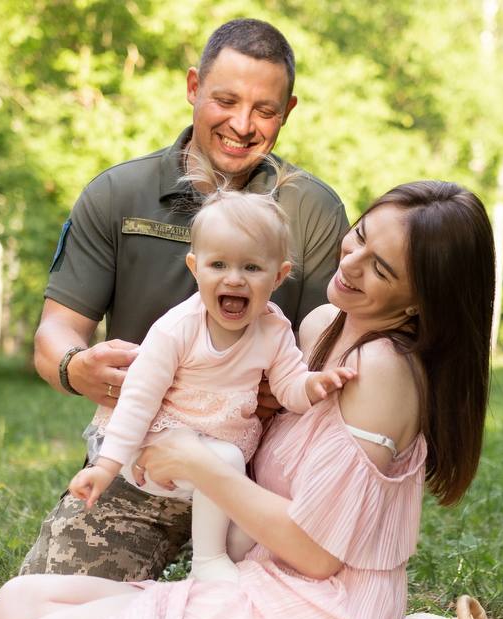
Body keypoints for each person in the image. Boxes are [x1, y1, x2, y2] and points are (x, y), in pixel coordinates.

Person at [0, 180, 495, 619]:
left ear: (419, 300)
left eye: (379, 268)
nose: (351, 263)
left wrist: (201, 465)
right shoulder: (320, 326)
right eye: (356, 237)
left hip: (326, 614)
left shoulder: (383, 370)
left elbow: (318, 554)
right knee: (19, 605)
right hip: (257, 578)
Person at [23, 18, 350, 581]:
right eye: (225, 100)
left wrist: (293, 387)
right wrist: (78, 367)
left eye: (265, 111)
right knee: (44, 606)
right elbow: (55, 333)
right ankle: (168, 613)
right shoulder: (117, 193)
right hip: (142, 465)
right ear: (194, 87)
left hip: (258, 474)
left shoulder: (313, 211)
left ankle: (207, 597)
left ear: (288, 111)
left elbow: (330, 345)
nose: (243, 125)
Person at [69, 169, 356, 583]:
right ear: (196, 267)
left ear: (278, 276)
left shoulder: (273, 329)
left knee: (244, 529)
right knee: (223, 460)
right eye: (218, 264)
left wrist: (313, 385)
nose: (234, 278)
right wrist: (107, 466)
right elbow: (138, 399)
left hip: (217, 456)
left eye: (252, 267)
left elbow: (289, 386)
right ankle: (207, 561)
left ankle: (226, 571)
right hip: (155, 445)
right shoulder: (177, 328)